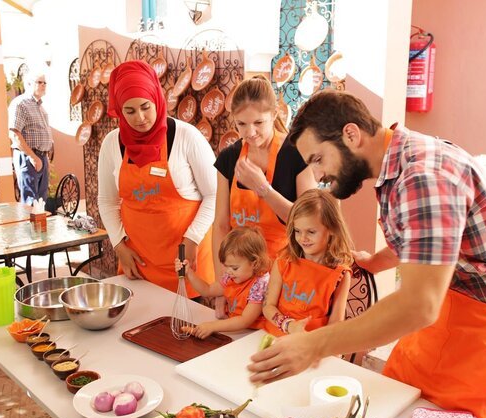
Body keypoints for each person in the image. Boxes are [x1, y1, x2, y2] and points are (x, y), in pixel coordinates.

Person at [248, 89, 486, 418]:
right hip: (447, 320)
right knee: (398, 417)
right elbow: (428, 240)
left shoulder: (423, 176)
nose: (318, 174)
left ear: (351, 134)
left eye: (318, 159)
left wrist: (313, 345)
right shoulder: (400, 165)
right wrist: (377, 262)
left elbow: (419, 305)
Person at [98, 60, 216, 297]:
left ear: (157, 99)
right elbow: (107, 201)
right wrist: (119, 245)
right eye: (129, 111)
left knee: (188, 319)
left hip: (185, 259)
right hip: (138, 262)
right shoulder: (112, 143)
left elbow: (215, 194)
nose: (140, 118)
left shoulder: (186, 137)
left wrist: (192, 239)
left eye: (145, 107)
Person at [213, 76, 316, 267]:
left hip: (287, 269)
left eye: (258, 122)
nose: (250, 132)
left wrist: (263, 189)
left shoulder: (297, 153)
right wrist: (222, 279)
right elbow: (221, 225)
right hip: (241, 274)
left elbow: (310, 223)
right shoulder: (228, 158)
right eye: (241, 124)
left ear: (274, 114)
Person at [261, 189, 352, 337]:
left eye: (311, 232)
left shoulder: (340, 275)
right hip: (274, 336)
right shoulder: (283, 261)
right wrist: (289, 325)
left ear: (332, 229)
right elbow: (268, 307)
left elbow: (335, 324)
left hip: (313, 343)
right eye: (297, 231)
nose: (303, 238)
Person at [175, 226, 271, 338]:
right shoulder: (232, 277)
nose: (228, 271)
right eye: (226, 266)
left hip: (254, 335)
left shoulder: (260, 285)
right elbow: (207, 290)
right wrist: (189, 272)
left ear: (255, 263)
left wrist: (212, 326)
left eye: (234, 268)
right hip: (234, 329)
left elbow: (245, 320)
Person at [8, 70, 53, 205]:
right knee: (30, 202)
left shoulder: (40, 106)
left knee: (41, 203)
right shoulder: (20, 104)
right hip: (28, 157)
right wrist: (33, 157)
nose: (43, 85)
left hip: (41, 157)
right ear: (28, 84)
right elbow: (14, 134)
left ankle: (40, 221)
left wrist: (45, 157)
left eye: (45, 82)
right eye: (39, 82)